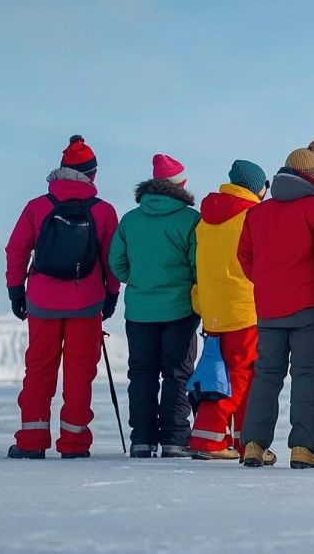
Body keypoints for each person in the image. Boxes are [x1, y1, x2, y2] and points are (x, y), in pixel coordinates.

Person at [4, 136, 121, 459]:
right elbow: (112, 261)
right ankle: (73, 444)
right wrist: (111, 296)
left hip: (42, 302)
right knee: (79, 375)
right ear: (92, 175)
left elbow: (16, 250)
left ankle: (31, 441)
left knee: (39, 370)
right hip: (87, 303)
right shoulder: (104, 212)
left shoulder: (37, 207)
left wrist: (16, 291)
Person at [238, 141, 314, 469]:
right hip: (310, 307)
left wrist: (268, 285)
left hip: (269, 308)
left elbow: (245, 256)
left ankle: (253, 446)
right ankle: (302, 448)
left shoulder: (257, 212)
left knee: (266, 375)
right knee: (306, 376)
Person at [109, 153, 200, 458]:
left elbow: (117, 264)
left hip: (139, 310)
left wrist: (139, 280)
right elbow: (198, 265)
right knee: (177, 374)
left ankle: (142, 440)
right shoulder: (190, 220)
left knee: (142, 373)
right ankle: (175, 439)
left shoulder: (131, 220)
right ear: (180, 185)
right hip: (180, 309)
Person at [188, 160, 267, 462]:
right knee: (240, 375)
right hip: (245, 307)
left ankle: (242, 441)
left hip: (212, 307)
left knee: (225, 372)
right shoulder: (254, 215)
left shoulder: (205, 220)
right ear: (258, 187)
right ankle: (207, 437)